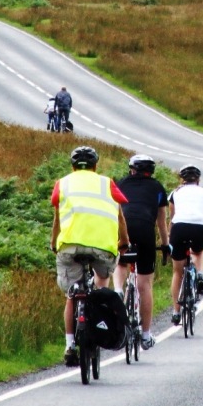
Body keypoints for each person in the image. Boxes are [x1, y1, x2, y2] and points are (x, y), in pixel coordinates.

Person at [50, 146, 129, 367]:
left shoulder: (62, 183)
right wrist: (124, 242)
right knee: (102, 283)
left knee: (71, 295)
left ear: (72, 166)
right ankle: (97, 305)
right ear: (95, 166)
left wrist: (54, 243)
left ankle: (69, 346)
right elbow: (120, 217)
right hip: (103, 247)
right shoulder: (107, 183)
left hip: (70, 246)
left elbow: (57, 217)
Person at [112, 154, 169, 349]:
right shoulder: (158, 188)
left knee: (121, 262)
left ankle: (118, 289)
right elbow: (161, 223)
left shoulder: (120, 183)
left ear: (131, 169)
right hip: (145, 230)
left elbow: (115, 210)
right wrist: (165, 244)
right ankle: (145, 335)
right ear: (151, 171)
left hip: (124, 227)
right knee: (145, 285)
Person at [168, 164, 203, 325]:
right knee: (198, 252)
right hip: (200, 229)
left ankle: (176, 312)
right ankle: (201, 273)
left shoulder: (175, 193)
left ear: (181, 179)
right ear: (198, 179)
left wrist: (170, 238)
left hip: (179, 229)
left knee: (177, 272)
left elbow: (172, 218)